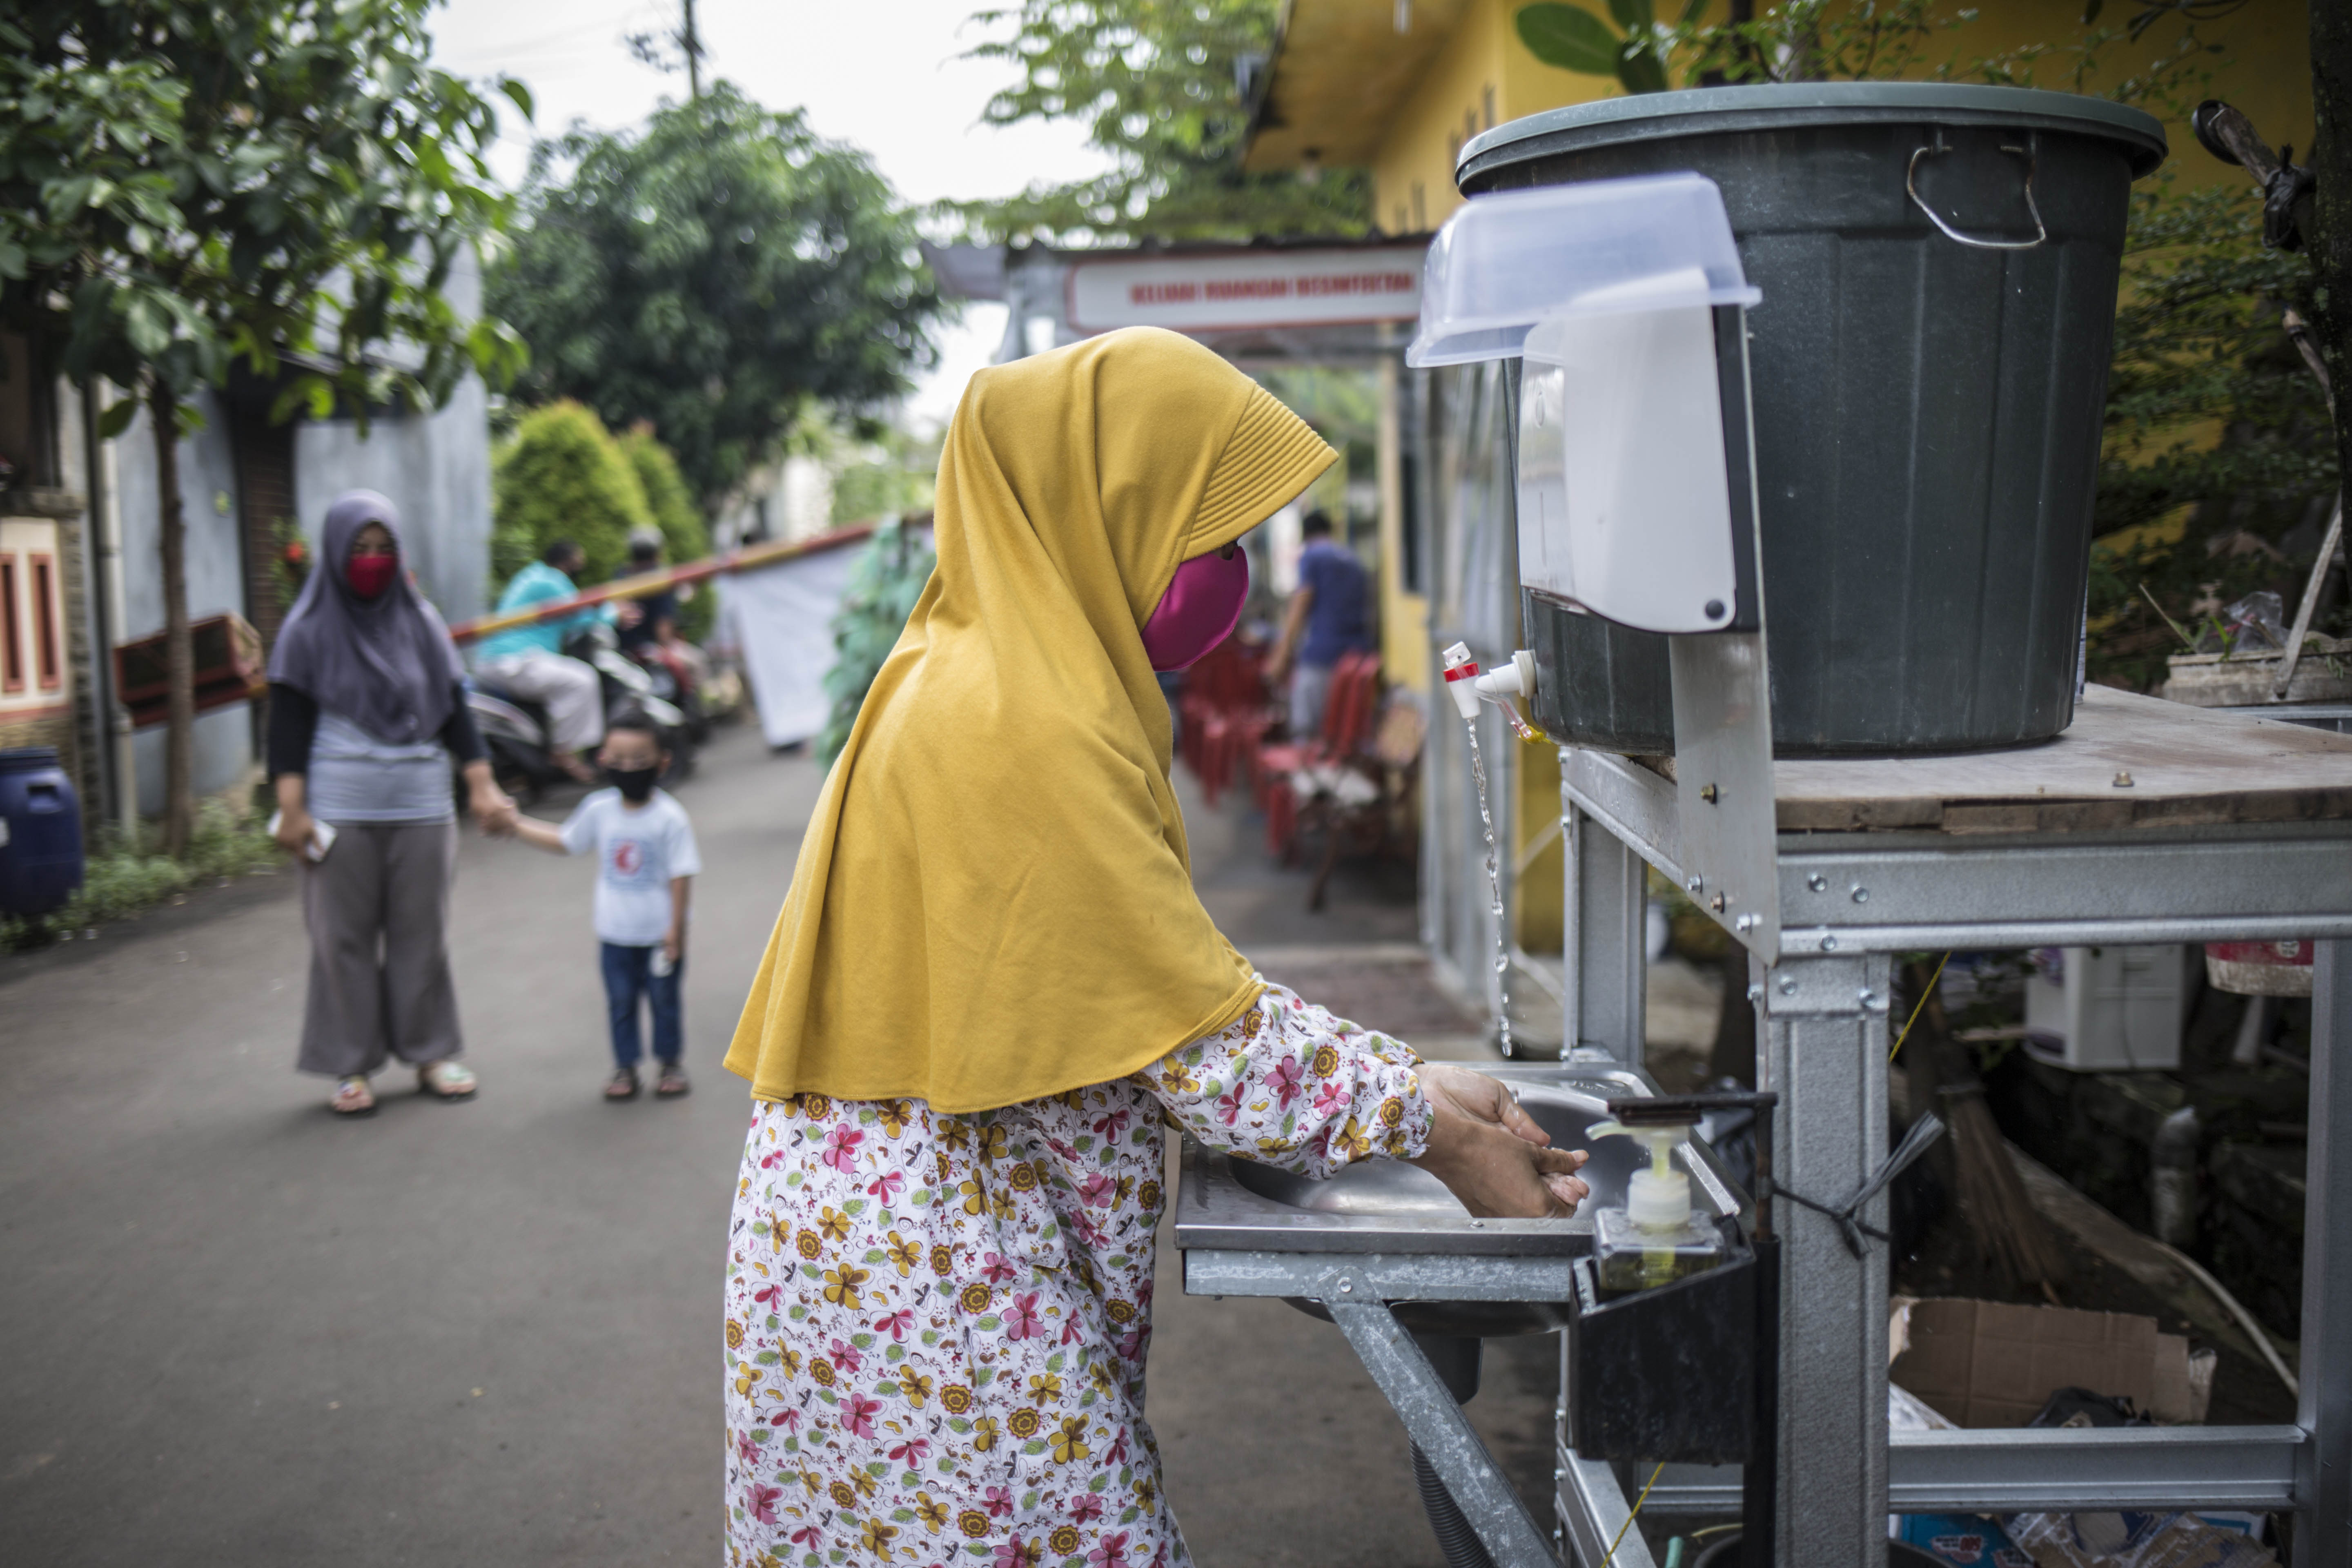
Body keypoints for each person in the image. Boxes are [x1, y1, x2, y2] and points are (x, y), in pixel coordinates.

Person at [718, 328, 1588, 1566]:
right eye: (1213, 533)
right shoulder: (1018, 717)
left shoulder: (999, 670)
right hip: (934, 1282)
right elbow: (1199, 1044)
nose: (1233, 573)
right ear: (1107, 506)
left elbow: (1162, 975)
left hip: (929, 1247)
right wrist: (1435, 1128)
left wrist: (1414, 1079)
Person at [266, 490, 517, 1116]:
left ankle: (431, 1053)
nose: (373, 562)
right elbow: (288, 728)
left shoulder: (421, 622)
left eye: (384, 550)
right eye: (360, 549)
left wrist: (481, 784)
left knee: (421, 936)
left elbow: (456, 710)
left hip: (423, 806)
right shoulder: (307, 630)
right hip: (340, 810)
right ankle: (351, 1066)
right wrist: (291, 809)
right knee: (341, 940)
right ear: (334, 553)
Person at [503, 709, 700, 1100]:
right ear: (603, 760)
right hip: (615, 935)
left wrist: (676, 930)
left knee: (665, 1003)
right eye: (619, 760)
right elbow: (566, 841)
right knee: (621, 1003)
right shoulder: (599, 809)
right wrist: (516, 825)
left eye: (639, 761)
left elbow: (682, 875)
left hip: (660, 936)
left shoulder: (669, 818)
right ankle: (625, 1069)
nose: (629, 769)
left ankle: (669, 1063)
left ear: (662, 763)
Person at [474, 538, 607, 782]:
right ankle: (563, 752)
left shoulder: (532, 574)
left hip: (498, 660)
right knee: (583, 680)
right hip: (514, 660)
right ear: (567, 563)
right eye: (578, 563)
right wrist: (616, 612)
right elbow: (583, 614)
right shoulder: (552, 581)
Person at [1266, 508, 1373, 740]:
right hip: (1357, 656)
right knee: (1342, 733)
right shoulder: (1353, 560)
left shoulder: (1312, 556)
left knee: (1306, 731)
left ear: (1306, 536)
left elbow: (1301, 603)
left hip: (1321, 657)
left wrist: (1280, 656)